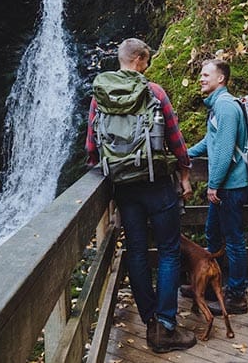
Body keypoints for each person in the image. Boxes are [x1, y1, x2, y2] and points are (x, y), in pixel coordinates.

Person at [86, 38, 196, 354]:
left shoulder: (100, 96)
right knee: (168, 251)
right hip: (156, 183)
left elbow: (92, 147)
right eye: (146, 61)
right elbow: (175, 138)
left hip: (123, 187)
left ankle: (149, 319)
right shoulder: (154, 92)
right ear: (139, 59)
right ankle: (165, 326)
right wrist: (185, 170)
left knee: (136, 250)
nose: (147, 66)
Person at [185, 58, 248, 315]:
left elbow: (223, 152)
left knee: (233, 240)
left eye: (205, 75)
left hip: (230, 187)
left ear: (220, 79)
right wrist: (183, 154)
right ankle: (209, 285)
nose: (200, 78)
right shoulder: (216, 107)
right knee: (213, 234)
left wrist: (213, 185)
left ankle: (236, 296)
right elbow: (209, 142)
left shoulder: (224, 107)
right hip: (224, 186)